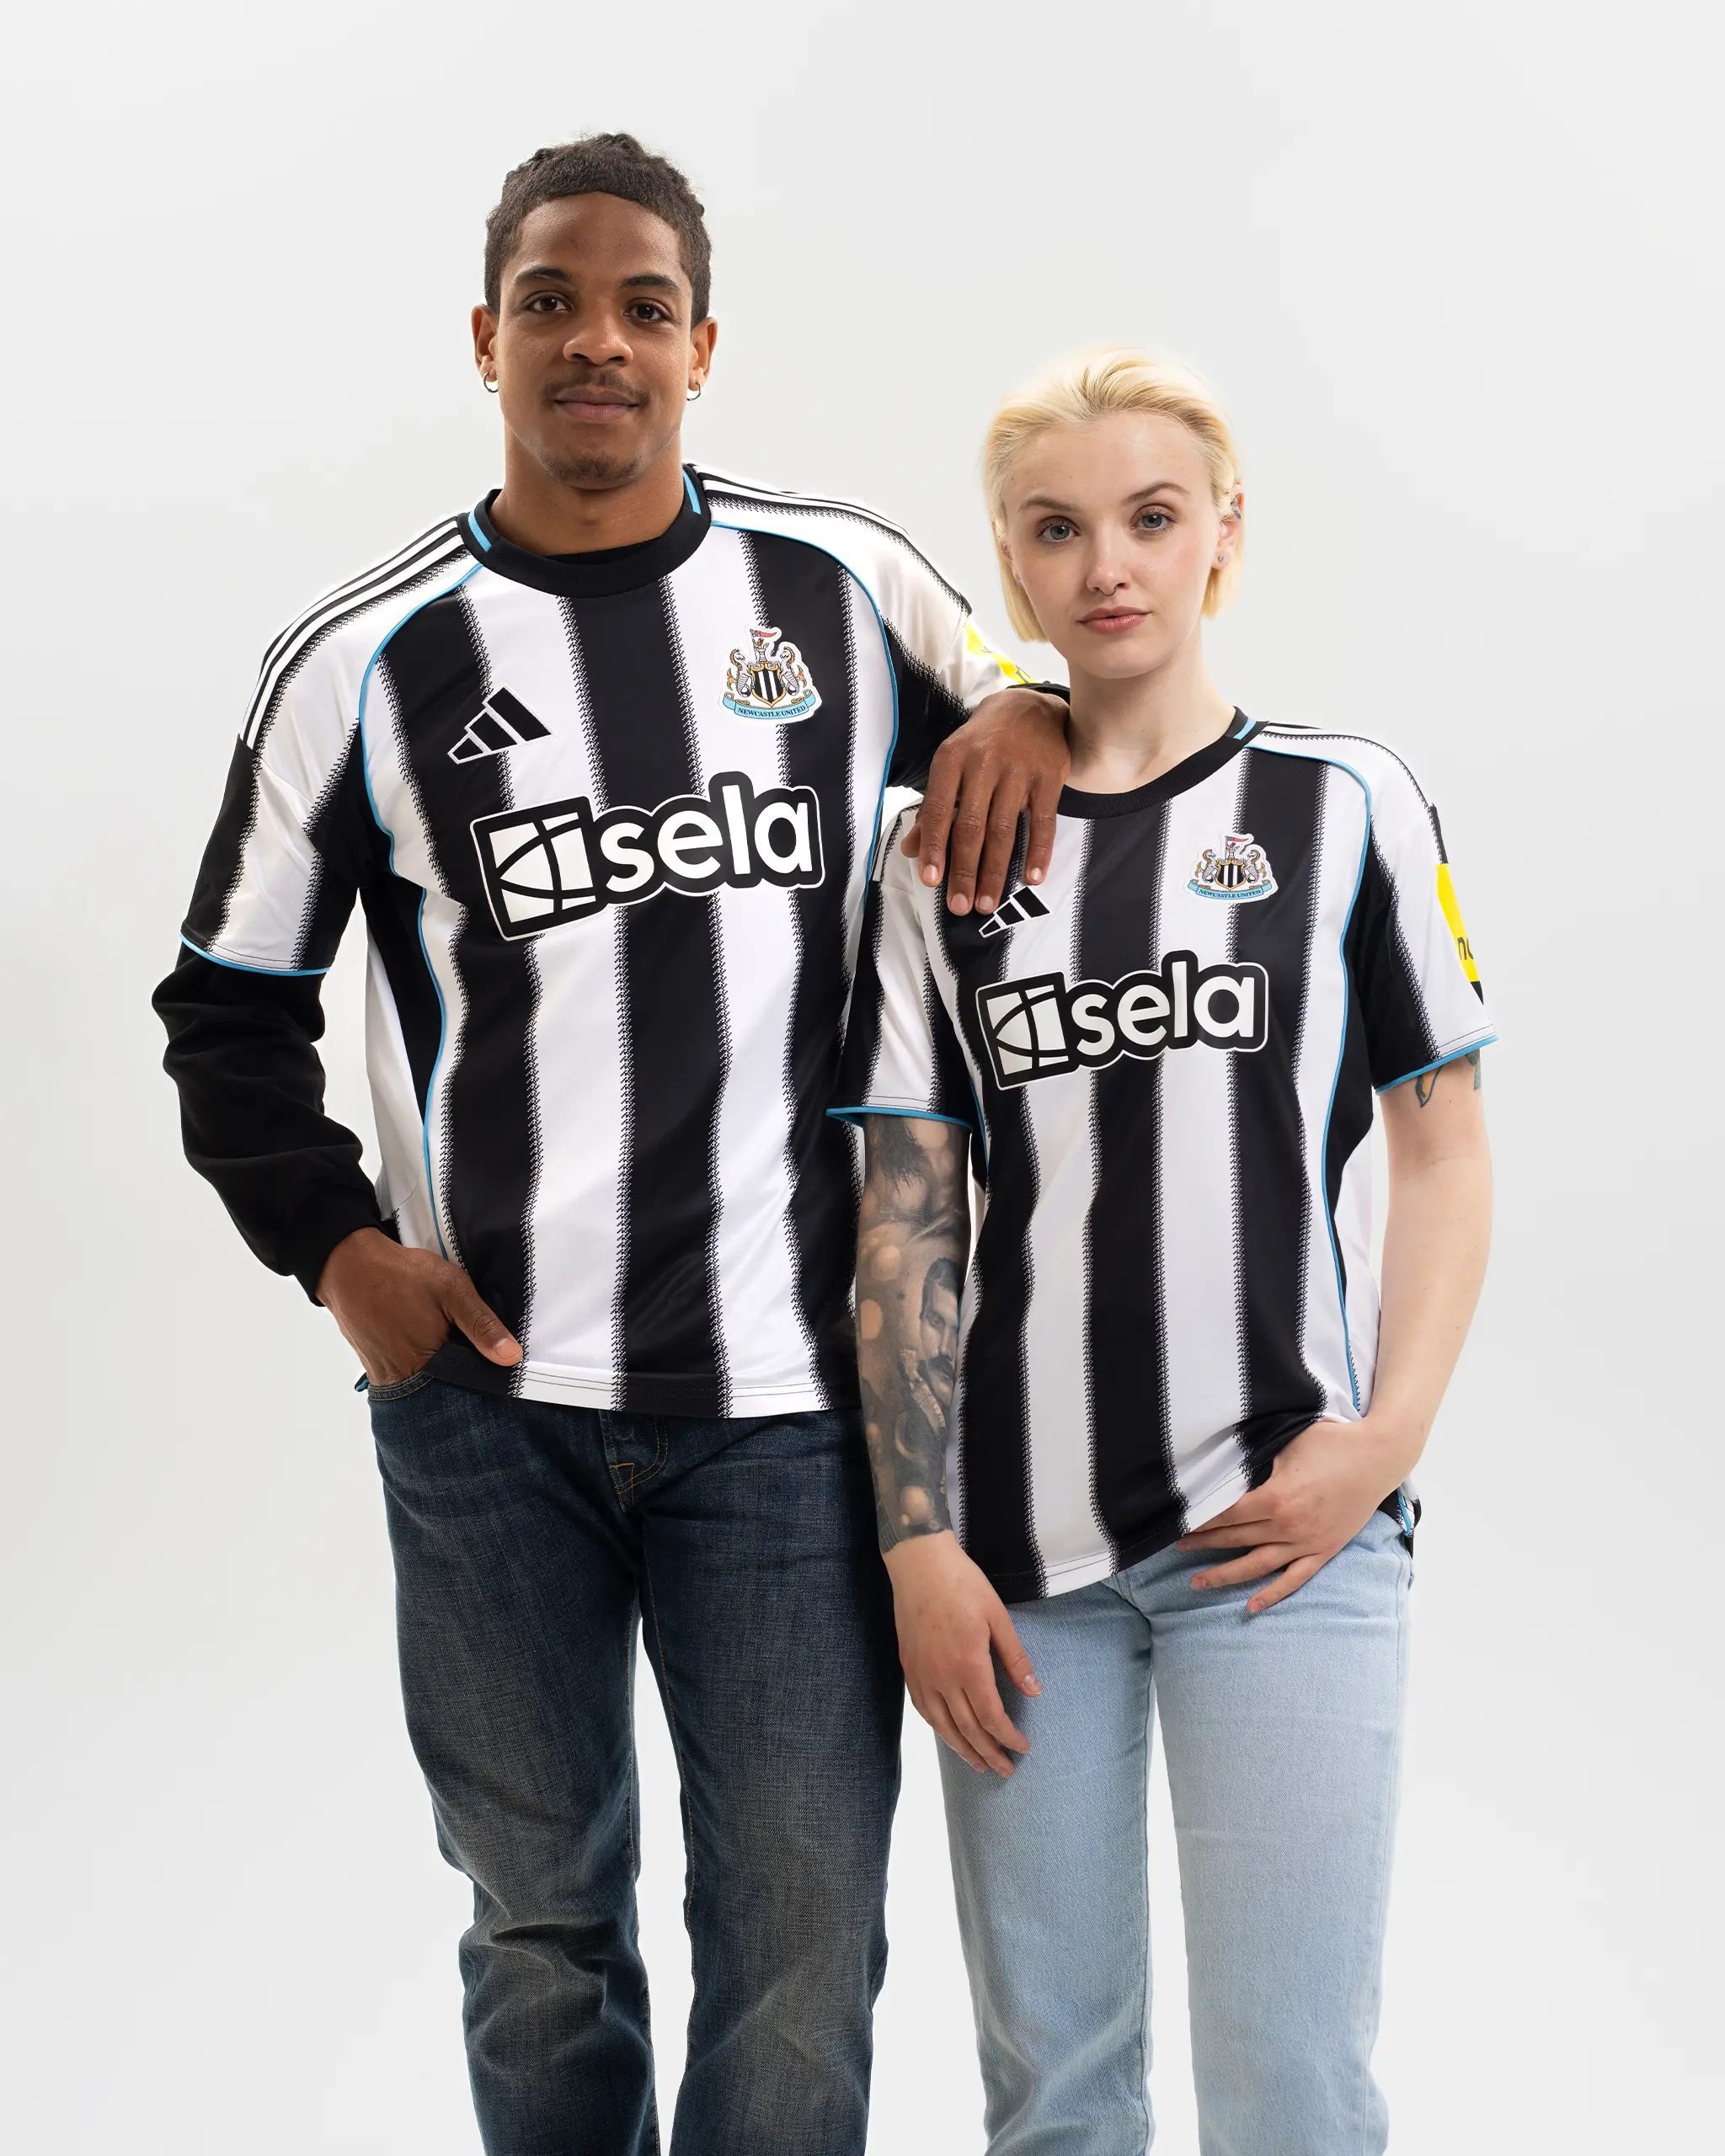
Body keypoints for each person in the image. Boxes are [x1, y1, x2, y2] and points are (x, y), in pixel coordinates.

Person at [152, 132, 1071, 2156]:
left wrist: (1021, 705)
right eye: (552, 302)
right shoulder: (363, 662)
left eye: (643, 308)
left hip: (792, 1418)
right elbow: (224, 1008)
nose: (598, 342)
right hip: (490, 1417)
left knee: (800, 1938)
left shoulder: (840, 589)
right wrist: (343, 1254)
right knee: (542, 1930)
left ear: (701, 349)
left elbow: (1048, 715)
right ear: (485, 337)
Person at [831, 346, 1495, 2154]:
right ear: (1010, 559)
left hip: (1283, 1540)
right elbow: (906, 1217)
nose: (1107, 564)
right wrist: (915, 1542)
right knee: (1054, 2096)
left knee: (1291, 2084)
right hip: (1017, 1564)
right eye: (1056, 529)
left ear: (1224, 536)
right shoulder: (939, 863)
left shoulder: (1344, 803)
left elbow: (1444, 1150)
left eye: (1149, 517)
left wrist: (1386, 1437)